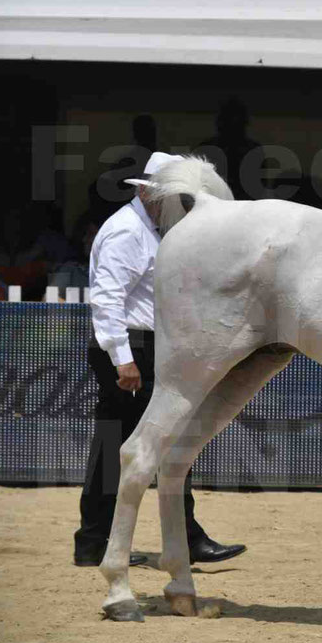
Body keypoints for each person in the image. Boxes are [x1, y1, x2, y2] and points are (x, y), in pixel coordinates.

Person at [74, 152, 247, 567]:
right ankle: (182, 539)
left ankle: (94, 542)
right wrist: (123, 359)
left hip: (143, 349)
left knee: (120, 445)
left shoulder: (151, 229)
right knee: (162, 442)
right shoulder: (127, 232)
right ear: (152, 192)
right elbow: (107, 299)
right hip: (133, 349)